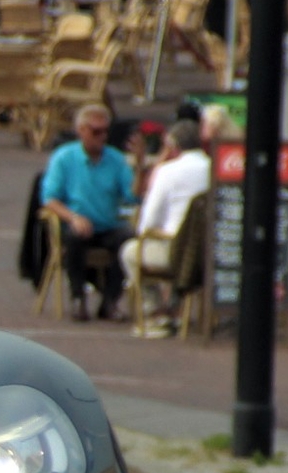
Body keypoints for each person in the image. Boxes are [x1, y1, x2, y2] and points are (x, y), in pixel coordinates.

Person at [39, 103, 135, 320]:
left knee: (128, 239)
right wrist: (72, 217)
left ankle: (110, 301)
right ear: (81, 130)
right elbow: (49, 199)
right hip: (77, 224)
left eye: (105, 131)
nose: (101, 137)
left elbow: (132, 196)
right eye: (95, 131)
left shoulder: (116, 159)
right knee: (75, 238)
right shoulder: (64, 158)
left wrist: (138, 167)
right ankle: (78, 298)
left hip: (107, 226)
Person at [121, 118, 210, 329]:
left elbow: (148, 222)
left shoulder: (168, 171)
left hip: (175, 251)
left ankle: (154, 312)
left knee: (130, 252)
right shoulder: (214, 168)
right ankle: (176, 307)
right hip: (210, 253)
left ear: (173, 146)